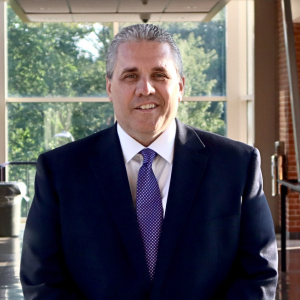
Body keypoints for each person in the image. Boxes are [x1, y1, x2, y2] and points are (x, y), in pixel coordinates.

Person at [20, 24, 278, 300]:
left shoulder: (237, 165)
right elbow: (42, 281)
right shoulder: (61, 171)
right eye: (130, 76)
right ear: (109, 87)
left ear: (179, 86)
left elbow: (258, 274)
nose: (146, 88)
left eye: (159, 74)